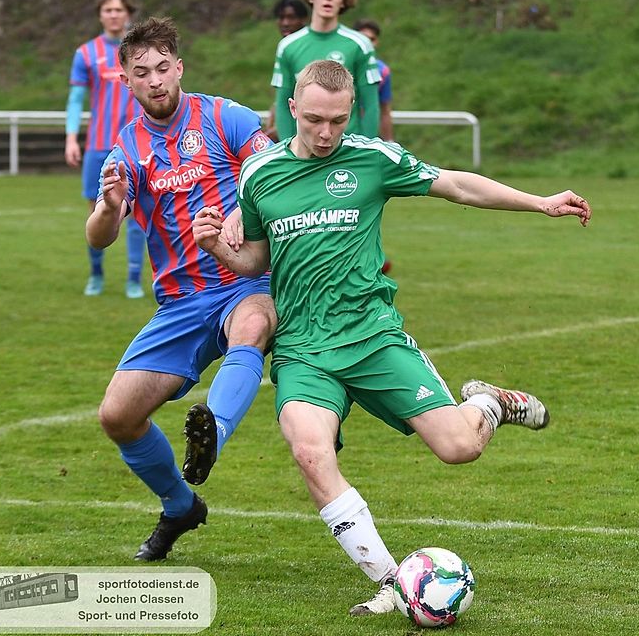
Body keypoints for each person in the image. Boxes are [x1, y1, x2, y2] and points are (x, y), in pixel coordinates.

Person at [193, 60, 590, 615]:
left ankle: (488, 403)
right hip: (305, 348)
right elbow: (258, 258)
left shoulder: (371, 160)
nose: (325, 132)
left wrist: (538, 201)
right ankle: (390, 580)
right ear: (291, 110)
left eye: (336, 119)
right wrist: (218, 248)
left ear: (350, 112)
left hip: (373, 337)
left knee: (459, 448)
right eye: (313, 120)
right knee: (309, 449)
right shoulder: (259, 175)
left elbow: (456, 184)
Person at [86, 17, 277, 562]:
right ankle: (179, 504)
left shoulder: (226, 117)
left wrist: (243, 209)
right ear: (126, 80)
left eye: (162, 68)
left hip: (245, 279)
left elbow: (275, 174)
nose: (155, 80)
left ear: (179, 67)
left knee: (253, 326)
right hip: (181, 303)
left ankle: (210, 432)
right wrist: (107, 205)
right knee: (117, 416)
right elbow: (99, 237)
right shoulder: (125, 150)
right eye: (141, 72)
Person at [66, 0, 147, 298]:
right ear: (101, 16)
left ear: (128, 14)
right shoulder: (86, 53)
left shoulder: (140, 52)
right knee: (97, 210)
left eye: (119, 10)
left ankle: (134, 278)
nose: (113, 15)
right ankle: (96, 274)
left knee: (138, 210)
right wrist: (71, 137)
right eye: (108, 10)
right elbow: (75, 100)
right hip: (98, 146)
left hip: (137, 146)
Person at [266, 0, 380, 141]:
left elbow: (371, 104)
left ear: (343, 0)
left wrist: (365, 150)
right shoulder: (287, 46)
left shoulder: (360, 45)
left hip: (347, 149)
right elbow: (283, 104)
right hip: (304, 151)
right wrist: (289, 150)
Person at [264, 0, 311, 141]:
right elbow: (283, 95)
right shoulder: (285, 48)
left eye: (291, 18)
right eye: (281, 18)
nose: (285, 23)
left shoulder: (307, 48)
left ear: (303, 19)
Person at [352, 19, 394, 142]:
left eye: (372, 39)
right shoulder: (341, 66)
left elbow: (384, 110)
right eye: (363, 38)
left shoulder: (383, 71)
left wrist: (390, 142)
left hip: (366, 138)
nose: (367, 43)